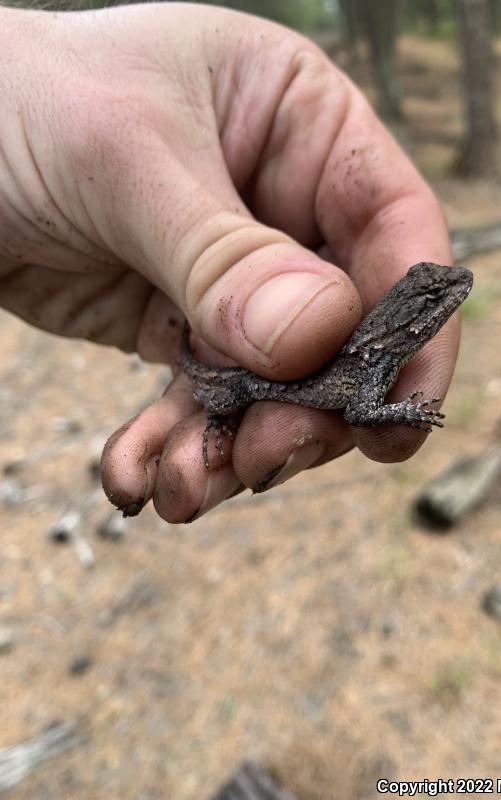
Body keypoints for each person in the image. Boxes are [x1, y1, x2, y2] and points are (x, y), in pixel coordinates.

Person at [0, 2, 458, 523]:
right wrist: (405, 411)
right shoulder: (373, 363)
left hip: (258, 375)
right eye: (433, 299)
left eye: (436, 297)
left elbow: (356, 407)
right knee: (230, 412)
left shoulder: (379, 358)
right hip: (244, 382)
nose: (447, 299)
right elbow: (359, 412)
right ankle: (217, 406)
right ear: (410, 320)